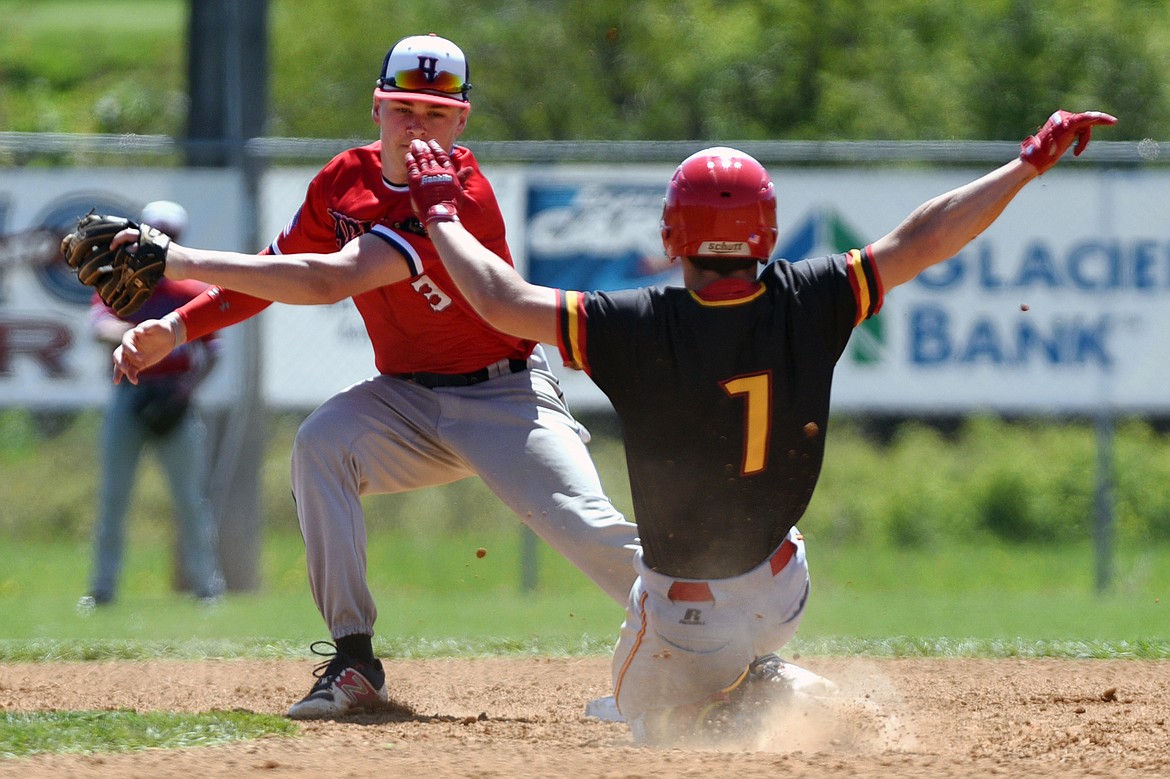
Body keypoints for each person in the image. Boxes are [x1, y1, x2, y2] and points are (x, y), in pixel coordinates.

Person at [401, 108, 1117, 745]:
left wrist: (439, 213)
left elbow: (499, 299)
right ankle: (755, 671)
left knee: (642, 715)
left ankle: (762, 695)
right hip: (784, 585)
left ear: (671, 235)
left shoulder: (637, 324)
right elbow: (925, 238)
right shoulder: (810, 297)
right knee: (719, 643)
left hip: (691, 615)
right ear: (766, 231)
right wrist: (1026, 162)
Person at [107, 34, 640, 719]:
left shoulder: (460, 197)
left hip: (504, 394)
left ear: (462, 122)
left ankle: (716, 643)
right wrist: (178, 327)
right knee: (321, 442)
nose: (418, 126)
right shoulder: (343, 182)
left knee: (585, 525)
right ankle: (355, 661)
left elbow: (330, 280)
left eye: (436, 113)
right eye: (403, 109)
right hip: (406, 400)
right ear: (376, 108)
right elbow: (274, 270)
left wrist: (176, 259)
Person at [80, 200, 224, 608]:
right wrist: (141, 332)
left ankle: (207, 589)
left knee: (190, 499)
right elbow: (98, 326)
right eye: (156, 234)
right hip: (130, 392)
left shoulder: (189, 289)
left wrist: (188, 390)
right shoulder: (122, 284)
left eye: (169, 236)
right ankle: (102, 590)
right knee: (114, 496)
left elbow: (214, 350)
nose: (162, 242)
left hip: (174, 394)